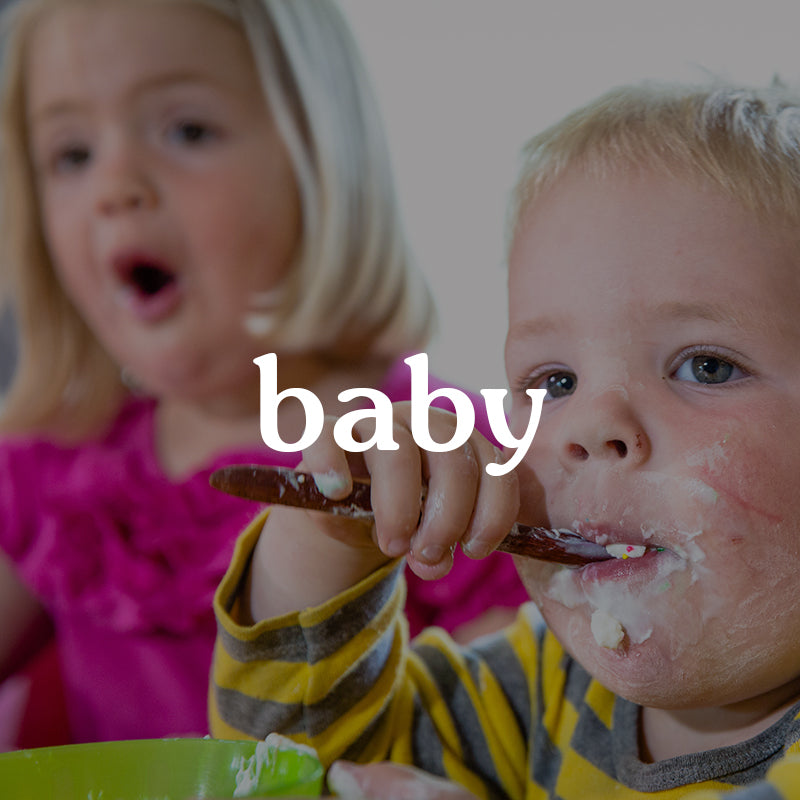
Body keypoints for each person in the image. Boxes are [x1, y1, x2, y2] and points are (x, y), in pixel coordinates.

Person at [210, 78, 800, 798]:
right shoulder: (536, 689)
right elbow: (291, 776)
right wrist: (323, 546)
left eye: (706, 366)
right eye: (555, 383)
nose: (591, 426)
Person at [0, 0, 528, 747]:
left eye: (187, 130)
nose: (115, 184)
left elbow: (517, 743)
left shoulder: (436, 454)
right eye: (72, 154)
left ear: (321, 159)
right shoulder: (55, 471)